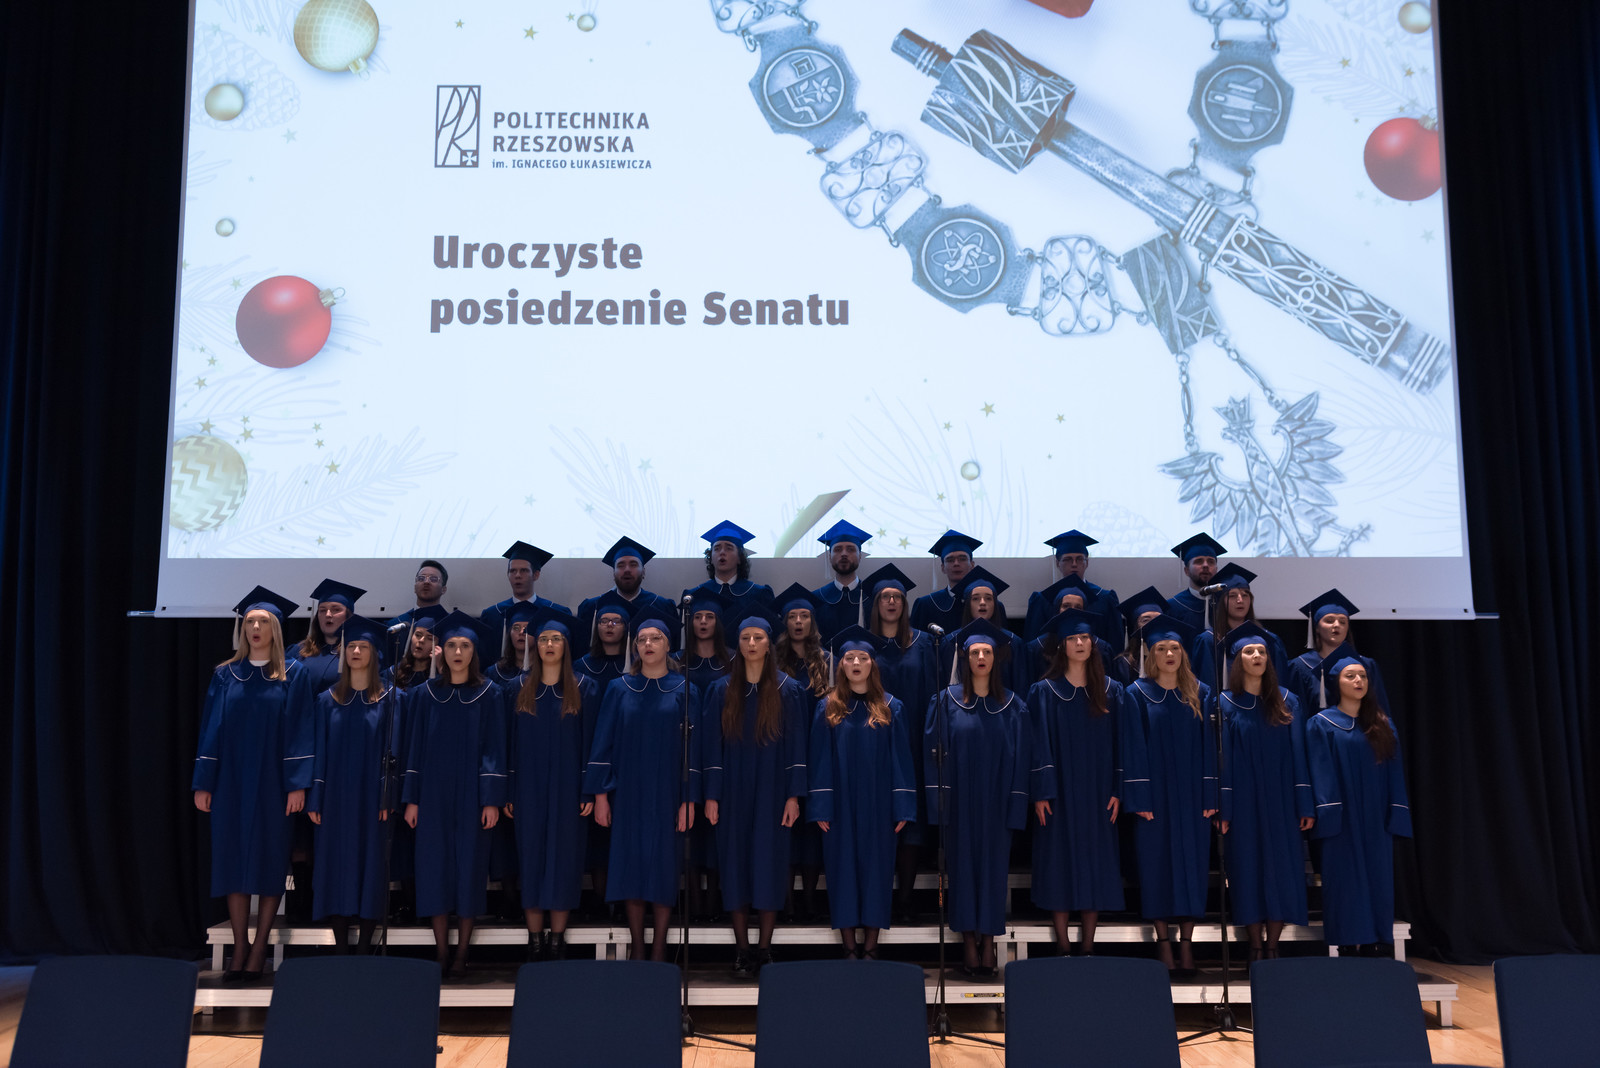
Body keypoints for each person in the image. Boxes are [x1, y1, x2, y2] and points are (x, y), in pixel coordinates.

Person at [193, 586, 313, 982]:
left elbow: (300, 731)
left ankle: (260, 947)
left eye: (263, 621)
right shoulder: (226, 674)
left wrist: (297, 784)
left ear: (275, 629)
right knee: (232, 859)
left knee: (269, 857)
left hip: (274, 783)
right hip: (231, 781)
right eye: (250, 622)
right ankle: (240, 947)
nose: (256, 628)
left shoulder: (293, 674)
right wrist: (204, 782)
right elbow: (211, 730)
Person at [1028, 609, 1151, 956]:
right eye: (1072, 638)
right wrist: (1041, 791)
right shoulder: (1044, 692)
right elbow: (1037, 745)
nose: (1080, 643)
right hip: (1059, 791)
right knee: (1058, 859)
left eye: (1084, 637)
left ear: (1093, 643)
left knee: (1095, 859)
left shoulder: (1112, 691)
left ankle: (1088, 942)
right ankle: (1063, 942)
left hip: (1099, 792)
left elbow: (1123, 743)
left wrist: (1118, 790)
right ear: (1062, 646)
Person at [584, 611, 700, 961]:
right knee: (631, 864)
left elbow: (694, 750)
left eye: (656, 639)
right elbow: (602, 743)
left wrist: (689, 800)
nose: (648, 644)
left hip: (668, 793)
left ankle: (659, 947)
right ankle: (638, 945)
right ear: (634, 647)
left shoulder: (685, 689)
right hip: (628, 792)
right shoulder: (619, 689)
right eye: (642, 640)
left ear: (668, 645)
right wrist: (600, 796)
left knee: (663, 865)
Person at [701, 607, 809, 977]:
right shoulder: (721, 690)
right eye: (745, 638)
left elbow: (796, 746)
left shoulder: (788, 689)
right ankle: (742, 950)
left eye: (758, 638)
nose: (750, 643)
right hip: (732, 790)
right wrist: (711, 795)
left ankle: (764, 948)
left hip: (773, 791)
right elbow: (711, 747)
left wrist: (794, 796)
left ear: (768, 645)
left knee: (769, 864)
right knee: (734, 864)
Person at [401, 611, 509, 978]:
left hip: (473, 796)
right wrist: (412, 799)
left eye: (464, 646)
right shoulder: (424, 695)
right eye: (450, 645)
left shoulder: (490, 694)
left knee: (469, 869)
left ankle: (462, 953)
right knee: (433, 868)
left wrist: (491, 799)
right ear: (441, 651)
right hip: (432, 794)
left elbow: (495, 749)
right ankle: (441, 951)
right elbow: (414, 748)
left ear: (474, 652)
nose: (457, 652)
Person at [925, 619, 1030, 979]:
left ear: (995, 658)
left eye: (987, 652)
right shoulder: (945, 702)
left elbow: (1022, 761)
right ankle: (969, 942)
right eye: (975, 652)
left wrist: (1016, 806)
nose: (981, 657)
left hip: (997, 806)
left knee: (993, 874)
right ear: (965, 658)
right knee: (962, 872)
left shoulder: (1013, 706)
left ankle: (988, 942)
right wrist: (940, 807)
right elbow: (932, 755)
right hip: (960, 805)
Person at [808, 625, 917, 960]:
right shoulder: (828, 707)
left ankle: (871, 946)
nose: (856, 663)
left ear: (873, 664)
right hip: (839, 805)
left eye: (863, 658)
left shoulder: (891, 707)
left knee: (877, 870)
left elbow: (901, 760)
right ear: (840, 665)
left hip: (878, 805)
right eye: (849, 658)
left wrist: (902, 806)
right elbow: (819, 760)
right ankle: (849, 947)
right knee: (841, 870)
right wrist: (821, 806)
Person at [1216, 622, 1314, 961]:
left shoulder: (1288, 701)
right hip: (1243, 801)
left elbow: (1300, 754)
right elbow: (1223, 761)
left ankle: (1273, 946)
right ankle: (1255, 946)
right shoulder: (1224, 703)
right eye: (1249, 651)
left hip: (1282, 799)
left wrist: (1304, 804)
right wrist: (1225, 808)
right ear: (1237, 660)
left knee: (1282, 868)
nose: (1257, 656)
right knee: (1247, 868)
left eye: (1261, 651)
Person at [1127, 613, 1217, 976]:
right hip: (1155, 798)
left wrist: (1210, 795)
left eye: (1175, 648)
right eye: (1162, 648)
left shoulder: (1201, 693)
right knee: (1157, 867)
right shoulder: (1137, 694)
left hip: (1192, 797)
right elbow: (1133, 747)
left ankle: (1187, 946)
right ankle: (1163, 943)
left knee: (1191, 868)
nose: (1169, 654)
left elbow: (1210, 748)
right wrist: (1140, 798)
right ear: (1151, 654)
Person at [1307, 643, 1411, 957]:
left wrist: (1395, 812)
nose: (1358, 681)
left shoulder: (1382, 724)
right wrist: (1329, 813)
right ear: (1335, 682)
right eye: (1350, 676)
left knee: (1378, 876)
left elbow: (1394, 772)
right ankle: (1347, 944)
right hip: (1342, 817)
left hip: (1376, 816)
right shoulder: (1322, 723)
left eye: (1363, 676)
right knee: (1345, 879)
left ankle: (1374, 943)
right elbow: (1320, 772)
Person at [508, 609, 599, 962]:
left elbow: (591, 745)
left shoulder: (585, 687)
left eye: (556, 639)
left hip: (568, 790)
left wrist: (588, 790)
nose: (549, 644)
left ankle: (558, 941)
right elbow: (508, 744)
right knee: (531, 857)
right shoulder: (517, 688)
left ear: (566, 645)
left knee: (564, 861)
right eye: (544, 639)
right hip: (527, 789)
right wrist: (509, 791)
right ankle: (535, 941)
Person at [306, 614, 399, 955]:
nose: (356, 652)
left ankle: (364, 949)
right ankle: (341, 947)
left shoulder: (391, 699)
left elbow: (396, 751)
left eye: (363, 647)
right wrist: (315, 798)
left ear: (375, 654)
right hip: (334, 798)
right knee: (336, 864)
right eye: (351, 646)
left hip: (373, 798)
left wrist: (389, 796)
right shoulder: (326, 700)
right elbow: (318, 754)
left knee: (371, 864)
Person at [862, 563, 938, 922]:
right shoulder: (864, 647)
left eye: (897, 597)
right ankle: (876, 900)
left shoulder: (923, 644)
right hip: (871, 743)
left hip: (914, 743)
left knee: (911, 824)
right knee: (878, 820)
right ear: (875, 604)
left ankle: (905, 900)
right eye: (885, 597)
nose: (891, 602)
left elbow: (933, 695)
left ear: (905, 604)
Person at [773, 582, 831, 918]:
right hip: (782, 752)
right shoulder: (773, 662)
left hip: (818, 750)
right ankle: (787, 902)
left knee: (811, 830)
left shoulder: (826, 661)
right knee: (785, 828)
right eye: (792, 616)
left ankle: (809, 900)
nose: (798, 622)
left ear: (812, 621)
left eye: (804, 616)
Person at [1287, 590, 1394, 725]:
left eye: (1343, 622)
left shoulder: (1365, 665)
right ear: (1316, 628)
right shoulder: (1300, 666)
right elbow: (1296, 714)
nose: (1337, 625)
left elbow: (1380, 711)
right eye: (1329, 620)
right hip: (1317, 734)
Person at [1188, 563, 1290, 688]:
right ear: (1220, 602)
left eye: (1245, 595)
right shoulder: (1209, 641)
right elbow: (1207, 685)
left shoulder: (1269, 639)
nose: (1240, 600)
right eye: (1232, 596)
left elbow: (1279, 684)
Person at [575, 537, 679, 651]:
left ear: (643, 572)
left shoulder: (662, 607)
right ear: (613, 573)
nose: (627, 570)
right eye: (621, 565)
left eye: (633, 564)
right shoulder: (592, 608)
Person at [1024, 530, 1122, 651]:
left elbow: (1115, 645)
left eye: (1079, 559)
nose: (1074, 564)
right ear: (1057, 563)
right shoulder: (1042, 600)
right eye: (1067, 559)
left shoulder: (1104, 598)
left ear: (1087, 563)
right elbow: (1032, 647)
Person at [937, 568, 1026, 697]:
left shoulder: (1013, 642)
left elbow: (1021, 687)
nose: (983, 603)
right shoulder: (951, 642)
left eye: (989, 599)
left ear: (995, 604)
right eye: (976, 599)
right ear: (968, 604)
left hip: (1003, 707)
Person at [1021, 575, 1116, 685]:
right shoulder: (1037, 648)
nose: (1072, 610)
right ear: (1057, 609)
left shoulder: (1101, 648)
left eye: (1078, 607)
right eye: (1066, 606)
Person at [482, 541, 570, 652]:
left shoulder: (556, 613)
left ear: (536, 575)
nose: (517, 575)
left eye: (524, 570)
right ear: (508, 575)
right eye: (513, 571)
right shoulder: (492, 615)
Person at [684, 520, 773, 620]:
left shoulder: (758, 594)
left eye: (729, 548)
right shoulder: (695, 595)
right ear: (711, 558)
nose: (722, 552)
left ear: (739, 558)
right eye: (717, 548)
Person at [293, 578, 368, 695]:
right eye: (322, 610)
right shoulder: (299, 651)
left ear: (349, 616)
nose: (328, 614)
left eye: (336, 609)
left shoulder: (358, 653)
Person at [810, 519, 872, 641]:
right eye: (838, 549)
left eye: (850, 549)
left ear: (860, 555)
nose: (844, 554)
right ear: (829, 556)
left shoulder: (872, 598)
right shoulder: (816, 599)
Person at [910, 529, 981, 634]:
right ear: (943, 567)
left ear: (972, 565)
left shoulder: (988, 605)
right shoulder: (926, 605)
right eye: (950, 560)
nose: (956, 563)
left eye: (962, 559)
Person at [388, 561, 450, 664]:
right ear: (415, 587)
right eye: (421, 578)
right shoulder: (396, 625)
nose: (426, 582)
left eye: (433, 579)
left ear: (443, 589)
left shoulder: (449, 625)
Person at [1166, 532, 1226, 633]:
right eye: (1199, 561)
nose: (1206, 565)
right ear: (1186, 570)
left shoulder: (1226, 603)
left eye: (1211, 561)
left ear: (1216, 569)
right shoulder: (1173, 606)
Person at [1111, 586, 1170, 686]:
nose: (1153, 624)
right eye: (1145, 620)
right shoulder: (1123, 664)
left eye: (1158, 619)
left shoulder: (1173, 658)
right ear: (1136, 627)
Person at [575, 592, 632, 690]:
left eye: (616, 621)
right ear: (596, 626)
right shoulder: (581, 666)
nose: (609, 625)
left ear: (626, 628)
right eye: (604, 621)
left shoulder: (635, 665)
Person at [385, 605, 447, 691]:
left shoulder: (440, 677)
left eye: (430, 638)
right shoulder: (392, 673)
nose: (421, 640)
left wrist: (441, 669)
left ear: (438, 645)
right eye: (418, 635)